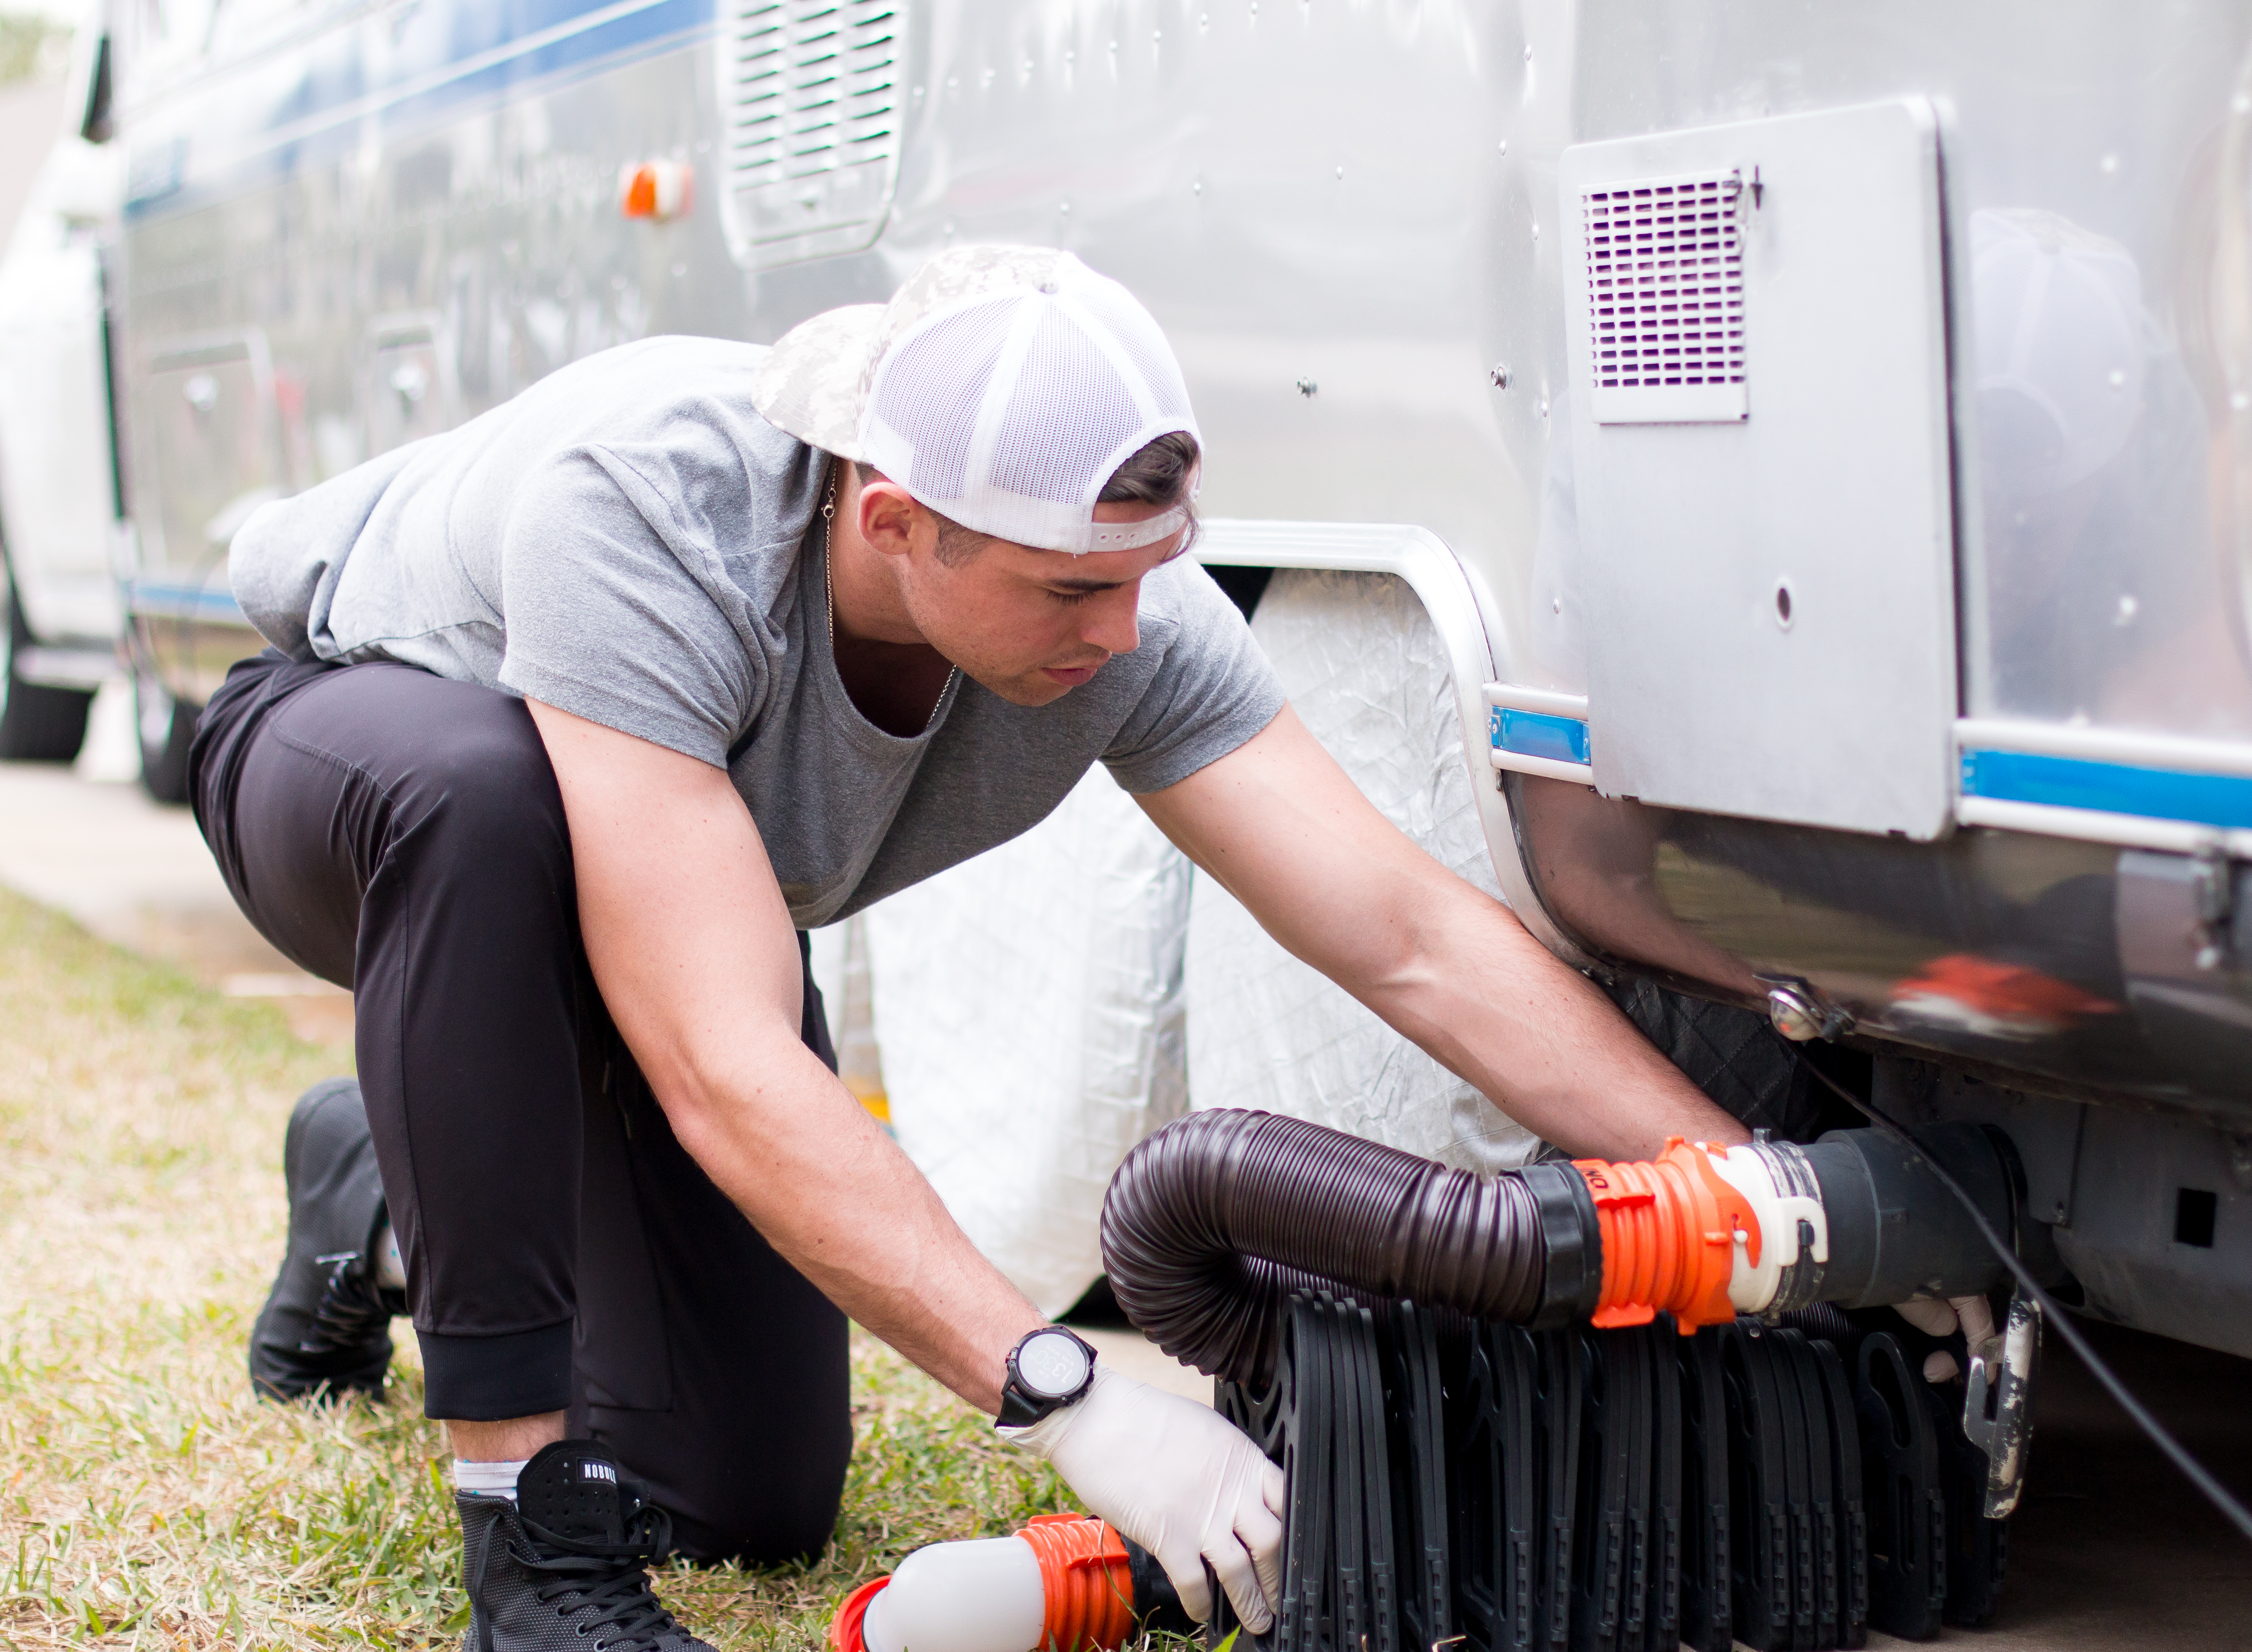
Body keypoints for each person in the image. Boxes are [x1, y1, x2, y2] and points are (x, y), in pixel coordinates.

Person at [196, 243, 1749, 1649]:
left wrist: (1746, 1185)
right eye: (1076, 589)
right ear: (894, 521)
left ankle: (386, 1184)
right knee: (488, 804)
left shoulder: (1119, 611)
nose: (1124, 636)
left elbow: (1407, 932)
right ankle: (521, 1537)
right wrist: (1070, 1390)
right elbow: (722, 1061)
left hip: (638, 895)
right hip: (346, 766)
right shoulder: (650, 512)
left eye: (1147, 576)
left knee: (749, 1488)